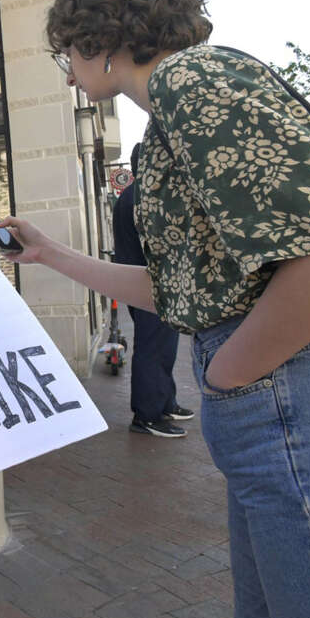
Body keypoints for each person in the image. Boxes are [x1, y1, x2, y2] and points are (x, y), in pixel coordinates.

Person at [0, 0, 310, 618]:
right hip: (281, 407)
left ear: (100, 35)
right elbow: (178, 287)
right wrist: (48, 253)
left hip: (303, 398)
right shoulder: (166, 128)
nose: (66, 68)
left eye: (68, 48)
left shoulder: (195, 81)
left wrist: (229, 374)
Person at [111, 143, 192, 437]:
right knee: (152, 348)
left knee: (163, 348)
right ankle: (147, 416)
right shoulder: (143, 197)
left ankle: (165, 402)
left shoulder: (133, 195)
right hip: (150, 286)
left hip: (149, 285)